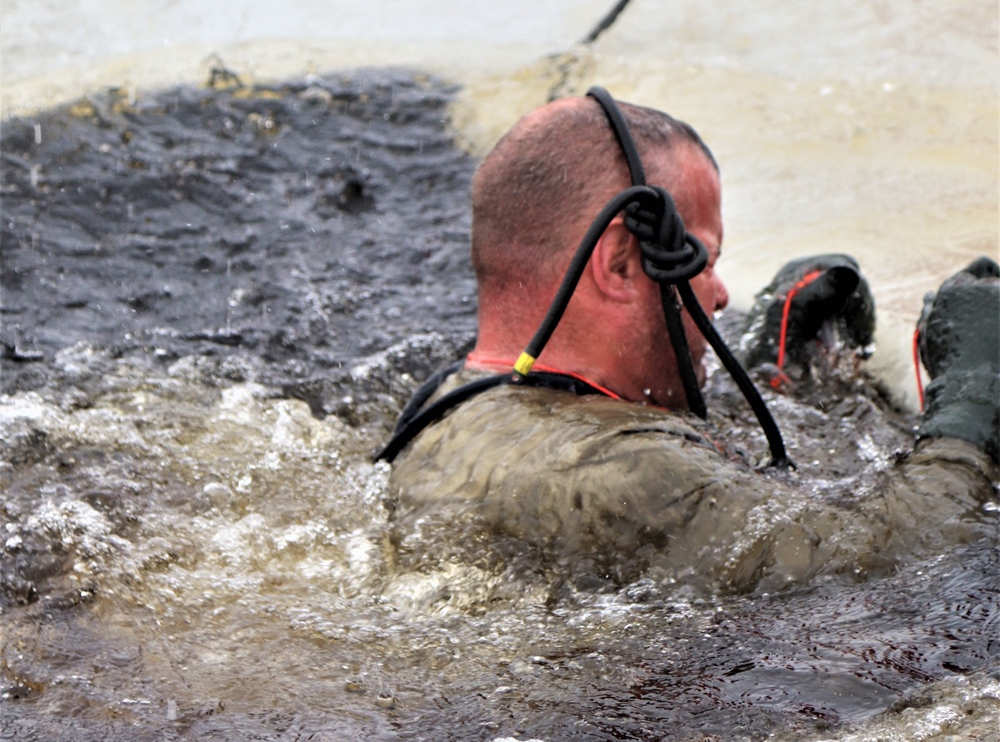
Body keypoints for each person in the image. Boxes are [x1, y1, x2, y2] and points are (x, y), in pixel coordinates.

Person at [386, 94, 998, 593]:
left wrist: (781, 372)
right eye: (703, 260)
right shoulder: (626, 472)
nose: (723, 294)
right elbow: (889, 565)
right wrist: (973, 404)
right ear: (621, 263)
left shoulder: (450, 403)